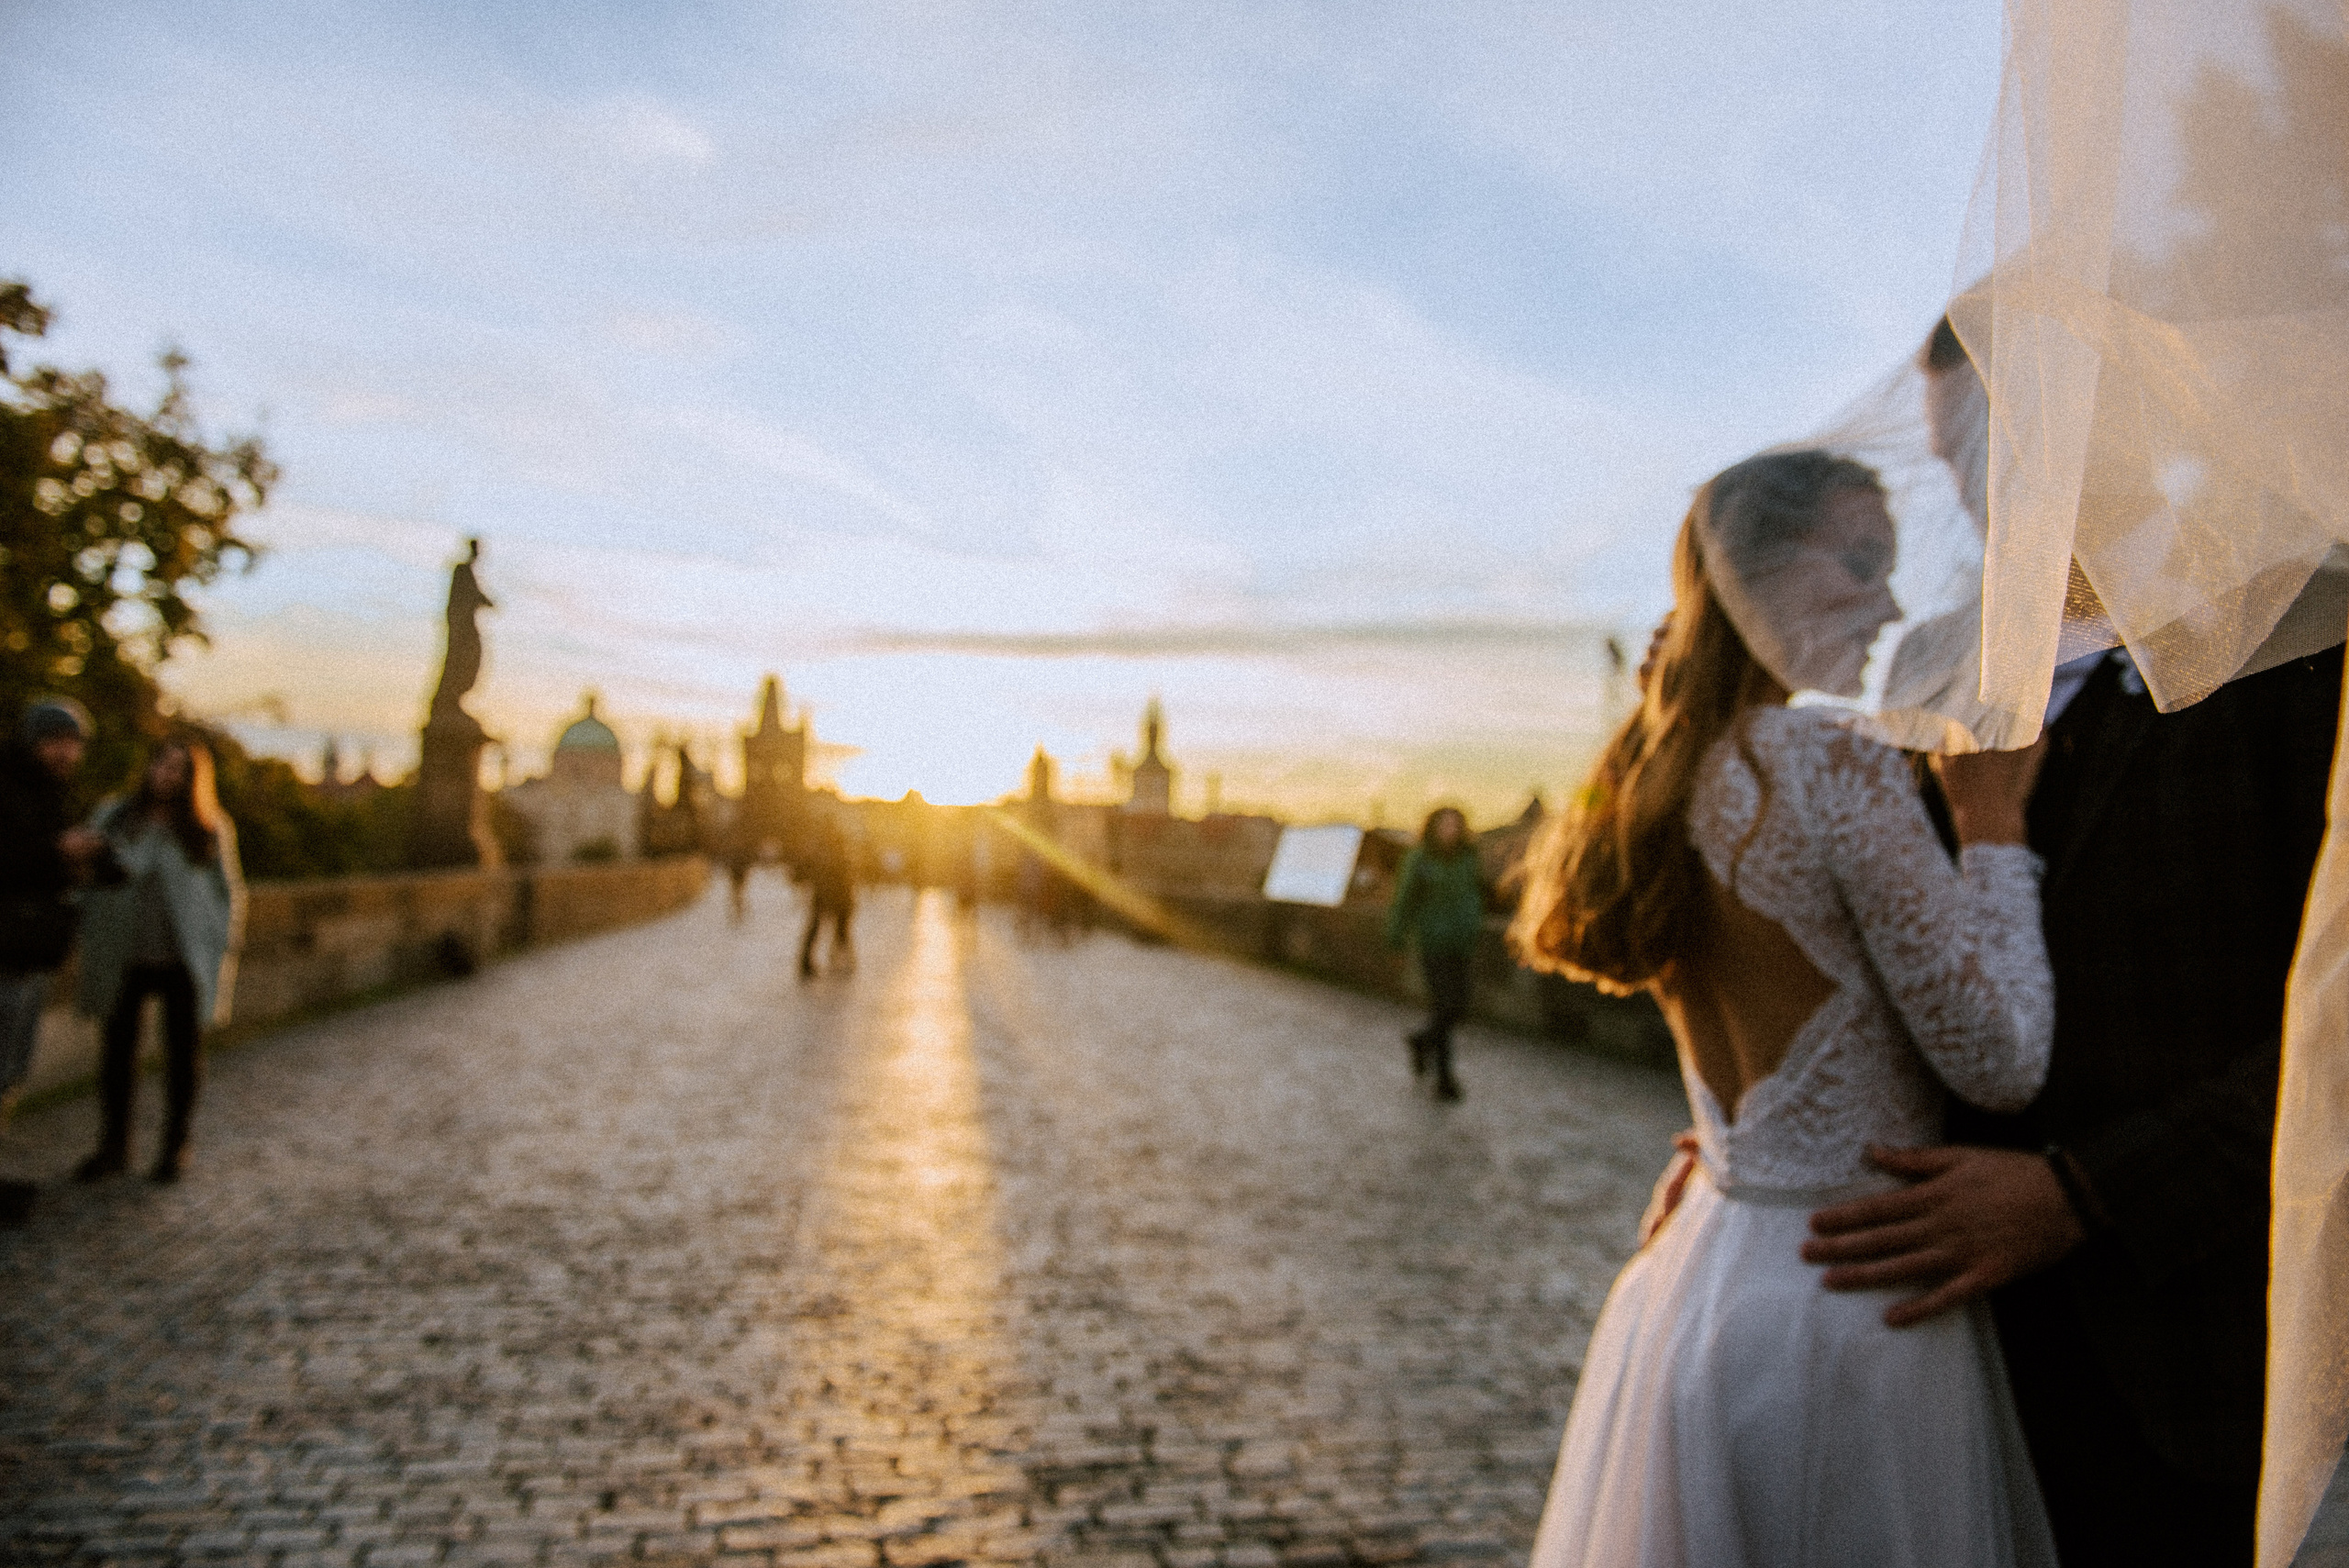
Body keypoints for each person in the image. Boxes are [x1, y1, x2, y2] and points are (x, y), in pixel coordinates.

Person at [1513, 450, 2059, 1566]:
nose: (1889, 604)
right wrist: (1992, 825)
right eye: (1859, 561)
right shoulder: (1828, 765)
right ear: (1754, 572)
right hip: (1849, 1307)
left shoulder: (1659, 766)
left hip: (1702, 1277)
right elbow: (2000, 1061)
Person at [72, 734, 245, 1185]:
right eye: (162, 764)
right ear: (149, 767)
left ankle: (174, 1146)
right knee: (117, 1054)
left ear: (192, 779)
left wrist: (222, 943)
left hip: (182, 957)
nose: (166, 775)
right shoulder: (116, 816)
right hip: (123, 953)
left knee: (183, 1055)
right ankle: (114, 1147)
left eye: (178, 770)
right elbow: (86, 878)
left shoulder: (207, 826)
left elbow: (228, 891)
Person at [0, 699, 106, 1224]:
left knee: (11, 1069)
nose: (67, 753)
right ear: (33, 741)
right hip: (7, 947)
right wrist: (58, 850)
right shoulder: (11, 788)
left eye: (74, 744)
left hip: (32, 950)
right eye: (57, 741)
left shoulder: (51, 793)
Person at [1384, 806, 1485, 1102]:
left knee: (1459, 1007)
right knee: (1444, 1005)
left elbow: (1476, 894)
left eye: (1456, 825)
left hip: (1461, 944)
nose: (1451, 830)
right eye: (1445, 824)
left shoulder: (1469, 858)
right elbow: (1404, 900)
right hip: (1433, 943)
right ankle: (1444, 1079)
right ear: (1433, 828)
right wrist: (1396, 940)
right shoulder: (1419, 859)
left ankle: (1421, 1041)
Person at [798, 816, 855, 979]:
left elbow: (808, 868)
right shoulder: (838, 848)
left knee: (820, 928)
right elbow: (844, 873)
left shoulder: (820, 847)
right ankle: (841, 961)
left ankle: (810, 962)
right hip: (836, 894)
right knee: (840, 930)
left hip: (824, 894)